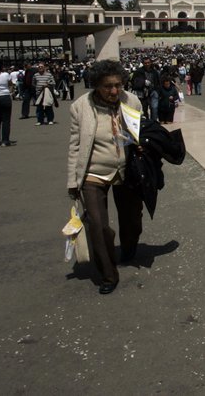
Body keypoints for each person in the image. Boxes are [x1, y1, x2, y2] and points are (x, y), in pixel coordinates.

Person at [67, 59, 144, 294]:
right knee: (98, 226)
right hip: (93, 172)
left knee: (132, 217)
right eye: (108, 86)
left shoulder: (131, 101)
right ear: (96, 86)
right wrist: (73, 180)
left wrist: (141, 145)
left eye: (118, 85)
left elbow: (139, 132)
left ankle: (129, 246)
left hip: (125, 168)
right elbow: (75, 146)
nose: (114, 91)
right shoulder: (80, 107)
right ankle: (108, 274)